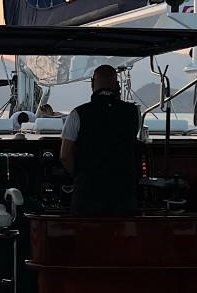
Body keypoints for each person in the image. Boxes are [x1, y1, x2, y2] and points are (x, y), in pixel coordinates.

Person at [60, 65, 141, 215]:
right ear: (117, 85)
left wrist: (80, 176)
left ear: (92, 85)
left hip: (87, 195)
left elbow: (65, 156)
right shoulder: (133, 112)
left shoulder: (77, 114)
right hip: (123, 195)